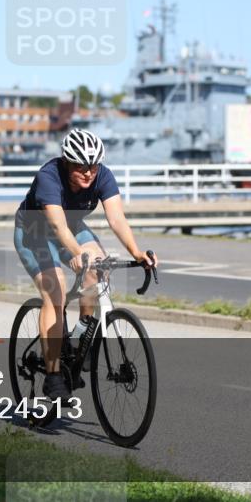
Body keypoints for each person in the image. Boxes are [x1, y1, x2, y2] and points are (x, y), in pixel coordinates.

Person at [13, 129, 157, 402]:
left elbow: (116, 219)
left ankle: (81, 337)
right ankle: (54, 374)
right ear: (67, 161)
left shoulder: (102, 175)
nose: (89, 172)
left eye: (93, 166)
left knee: (98, 272)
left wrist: (137, 252)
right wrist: (78, 254)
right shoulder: (49, 177)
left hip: (73, 227)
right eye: (81, 166)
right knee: (55, 293)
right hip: (34, 232)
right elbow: (56, 225)